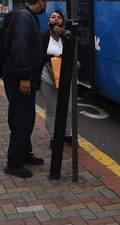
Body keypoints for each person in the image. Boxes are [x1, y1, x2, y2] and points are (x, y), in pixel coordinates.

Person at [2, 0, 51, 178]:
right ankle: (13, 163)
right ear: (41, 1)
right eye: (46, 1)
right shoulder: (24, 17)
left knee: (27, 117)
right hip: (19, 78)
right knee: (21, 119)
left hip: (24, 76)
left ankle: (24, 153)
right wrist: (23, 76)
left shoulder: (25, 15)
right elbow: (20, 47)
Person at [38, 9, 72, 148]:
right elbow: (37, 55)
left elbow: (76, 49)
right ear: (48, 22)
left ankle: (67, 135)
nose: (56, 19)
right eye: (53, 17)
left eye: (59, 17)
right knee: (51, 110)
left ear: (63, 22)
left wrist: (63, 34)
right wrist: (53, 58)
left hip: (64, 77)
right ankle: (53, 138)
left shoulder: (67, 36)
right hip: (47, 78)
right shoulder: (43, 36)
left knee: (68, 109)